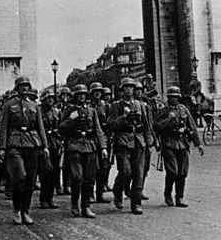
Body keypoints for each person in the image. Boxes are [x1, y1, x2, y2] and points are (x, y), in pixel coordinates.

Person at [0, 76, 49, 226]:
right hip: (14, 144)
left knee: (30, 180)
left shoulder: (34, 106)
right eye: (21, 86)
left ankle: (25, 211)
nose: (24, 88)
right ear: (17, 88)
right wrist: (1, 148)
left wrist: (45, 146)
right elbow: (3, 127)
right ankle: (17, 210)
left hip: (32, 144)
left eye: (26, 86)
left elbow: (40, 127)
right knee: (20, 177)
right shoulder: (9, 105)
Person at [59, 84, 107, 219]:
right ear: (75, 96)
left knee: (89, 178)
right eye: (79, 94)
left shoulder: (92, 111)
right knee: (77, 177)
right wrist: (71, 119)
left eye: (84, 94)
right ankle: (75, 204)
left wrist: (103, 147)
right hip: (74, 145)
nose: (82, 97)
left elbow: (98, 130)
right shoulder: (69, 110)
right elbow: (61, 128)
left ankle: (86, 206)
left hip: (90, 146)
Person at [107, 77, 152, 215]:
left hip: (138, 140)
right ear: (122, 90)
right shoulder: (116, 106)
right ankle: (118, 190)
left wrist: (149, 139)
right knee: (126, 171)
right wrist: (124, 118)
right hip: (123, 141)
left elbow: (146, 124)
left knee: (138, 173)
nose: (129, 90)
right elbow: (110, 124)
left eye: (131, 87)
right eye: (126, 87)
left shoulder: (141, 105)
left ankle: (136, 203)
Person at [154, 86, 204, 208]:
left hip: (183, 143)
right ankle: (168, 194)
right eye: (171, 97)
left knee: (182, 173)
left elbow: (191, 126)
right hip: (169, 143)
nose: (173, 99)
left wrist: (199, 144)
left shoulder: (183, 110)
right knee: (172, 172)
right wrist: (168, 119)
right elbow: (156, 127)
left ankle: (179, 197)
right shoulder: (164, 111)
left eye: (176, 97)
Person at [39, 89, 62, 209]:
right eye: (48, 98)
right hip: (44, 144)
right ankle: (43, 198)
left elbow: (61, 126)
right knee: (45, 171)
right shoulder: (39, 111)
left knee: (55, 172)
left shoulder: (56, 111)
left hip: (55, 143)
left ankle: (50, 198)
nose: (50, 100)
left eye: (52, 98)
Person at [89, 82, 110, 204]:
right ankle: (90, 193)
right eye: (95, 91)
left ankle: (100, 193)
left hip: (104, 138)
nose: (97, 93)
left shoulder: (105, 106)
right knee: (91, 167)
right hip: (91, 139)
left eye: (99, 91)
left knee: (104, 167)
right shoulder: (88, 106)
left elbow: (109, 120)